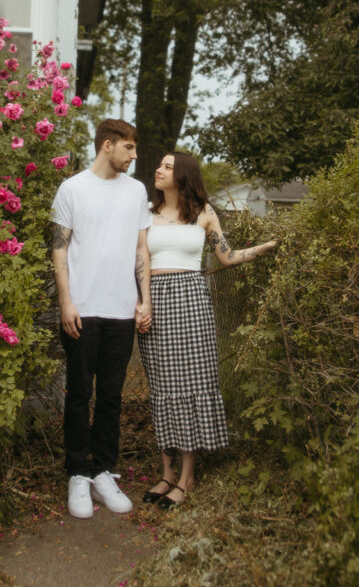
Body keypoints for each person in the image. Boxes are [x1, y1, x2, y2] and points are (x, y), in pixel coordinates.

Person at [138, 152, 277, 510]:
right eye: (160, 164)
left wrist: (262, 249)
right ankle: (166, 472)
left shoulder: (204, 214)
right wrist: (143, 303)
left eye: (167, 166)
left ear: (182, 175)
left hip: (191, 301)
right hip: (156, 301)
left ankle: (187, 475)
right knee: (162, 385)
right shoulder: (146, 215)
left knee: (191, 384)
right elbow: (141, 261)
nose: (159, 169)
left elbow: (226, 257)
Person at [51, 118, 152, 520]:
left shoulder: (137, 191)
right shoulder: (72, 188)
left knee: (112, 396)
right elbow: (59, 251)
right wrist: (65, 302)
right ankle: (77, 473)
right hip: (82, 309)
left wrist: (144, 301)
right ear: (108, 145)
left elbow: (141, 250)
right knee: (79, 394)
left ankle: (103, 471)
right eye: (129, 147)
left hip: (122, 310)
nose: (134, 155)